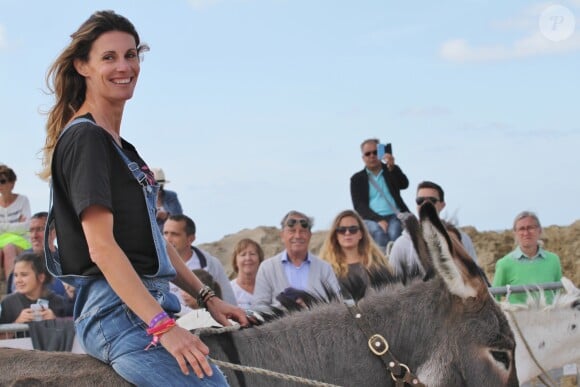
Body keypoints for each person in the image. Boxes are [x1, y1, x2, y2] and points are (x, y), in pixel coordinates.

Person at [39, 10, 246, 386]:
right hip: (118, 313)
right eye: (109, 57)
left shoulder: (122, 148)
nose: (125, 66)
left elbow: (152, 242)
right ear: (82, 66)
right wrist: (163, 325)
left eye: (131, 55)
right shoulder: (87, 139)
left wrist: (207, 298)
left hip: (141, 305)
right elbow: (102, 249)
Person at [388, 181, 483, 279]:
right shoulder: (402, 244)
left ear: (442, 205)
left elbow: (475, 276)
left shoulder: (461, 239)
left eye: (432, 200)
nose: (425, 204)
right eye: (420, 200)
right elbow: (393, 284)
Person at [252, 210, 340, 308]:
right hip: (281, 323)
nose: (297, 236)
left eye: (302, 231)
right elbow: (259, 306)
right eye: (292, 231)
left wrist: (310, 304)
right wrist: (284, 307)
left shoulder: (325, 268)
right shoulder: (267, 268)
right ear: (282, 236)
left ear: (310, 235)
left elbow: (336, 303)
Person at [163, 214, 237, 311]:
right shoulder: (156, 265)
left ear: (191, 239)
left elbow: (228, 300)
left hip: (204, 322)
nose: (168, 239)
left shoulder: (212, 264)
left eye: (174, 234)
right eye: (165, 233)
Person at [350, 138, 410, 251]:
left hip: (395, 215)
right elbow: (359, 206)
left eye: (375, 152)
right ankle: (383, 265)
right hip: (371, 218)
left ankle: (397, 264)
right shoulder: (357, 179)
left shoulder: (390, 170)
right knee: (379, 232)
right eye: (368, 154)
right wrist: (378, 219)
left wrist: (393, 168)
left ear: (381, 154)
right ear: (363, 158)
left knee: (394, 232)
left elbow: (404, 184)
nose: (372, 156)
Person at [493, 211, 563, 304]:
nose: (526, 233)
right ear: (515, 233)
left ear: (539, 230)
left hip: (551, 317)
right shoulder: (504, 264)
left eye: (530, 228)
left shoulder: (553, 260)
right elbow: (494, 298)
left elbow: (559, 294)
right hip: (518, 318)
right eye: (522, 229)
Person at [319, 209, 392, 297]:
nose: (347, 233)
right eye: (342, 230)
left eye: (353, 229)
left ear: (360, 234)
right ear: (336, 235)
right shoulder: (325, 268)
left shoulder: (377, 264)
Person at [6, 212, 67, 299]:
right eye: (31, 230)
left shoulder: (65, 262)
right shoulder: (22, 260)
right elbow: (14, 294)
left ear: (54, 233)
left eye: (40, 229)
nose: (34, 236)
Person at [0, 253, 66, 324]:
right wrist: (17, 323)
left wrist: (56, 321)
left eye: (24, 275)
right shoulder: (8, 303)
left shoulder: (59, 302)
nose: (18, 280)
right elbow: (2, 335)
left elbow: (73, 331)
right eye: (15, 275)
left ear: (41, 277)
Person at [0, 164, 32, 281]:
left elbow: (27, 226)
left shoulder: (23, 200)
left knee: (8, 248)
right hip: (1, 241)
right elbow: (22, 227)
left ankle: (11, 290)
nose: (0, 185)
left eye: (2, 181)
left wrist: (2, 227)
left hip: (21, 242)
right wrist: (17, 226)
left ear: (12, 183)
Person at [229, 238, 264, 309]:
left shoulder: (267, 287)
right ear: (235, 261)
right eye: (243, 254)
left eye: (252, 254)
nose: (248, 258)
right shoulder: (229, 290)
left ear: (259, 259)